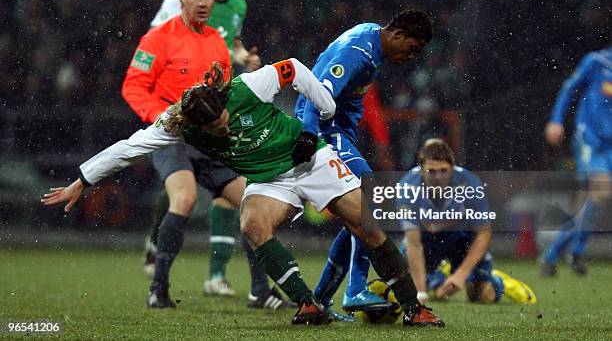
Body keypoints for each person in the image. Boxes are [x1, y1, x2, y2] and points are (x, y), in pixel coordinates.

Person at [42, 59, 444, 327]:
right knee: (252, 223)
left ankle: (415, 308)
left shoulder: (248, 85)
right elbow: (129, 147)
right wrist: (82, 180)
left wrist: (320, 119)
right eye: (213, 129)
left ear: (222, 101)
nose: (222, 129)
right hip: (270, 181)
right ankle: (308, 305)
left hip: (308, 160)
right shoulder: (176, 123)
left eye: (222, 119)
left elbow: (295, 69)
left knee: (367, 226)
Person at [120, 0, 286, 309]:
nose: (202, 3)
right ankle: (159, 288)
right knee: (184, 198)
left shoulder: (216, 43)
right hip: (173, 139)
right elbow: (133, 86)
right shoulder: (157, 39)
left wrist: (228, 121)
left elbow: (223, 93)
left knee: (252, 202)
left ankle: (260, 291)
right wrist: (162, 117)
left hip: (209, 141)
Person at [294, 9, 431, 316]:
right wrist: (307, 133)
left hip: (338, 132)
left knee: (359, 216)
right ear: (396, 35)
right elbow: (321, 91)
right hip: (326, 132)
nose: (412, 57)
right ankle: (356, 289)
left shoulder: (371, 37)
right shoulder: (359, 53)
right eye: (412, 49)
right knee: (372, 202)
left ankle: (321, 300)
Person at [398, 139, 536, 304]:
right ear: (421, 170)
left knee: (482, 296)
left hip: (462, 239)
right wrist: (420, 294)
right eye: (432, 171)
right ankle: (438, 277)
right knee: (413, 286)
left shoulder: (469, 183)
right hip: (427, 240)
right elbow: (413, 243)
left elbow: (484, 234)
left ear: (453, 169)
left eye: (443, 171)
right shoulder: (407, 187)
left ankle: (498, 281)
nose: (438, 177)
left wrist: (460, 276)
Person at [541, 46, 612, 276]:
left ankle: (554, 254)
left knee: (589, 202)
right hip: (591, 140)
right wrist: (556, 120)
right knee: (601, 192)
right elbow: (569, 88)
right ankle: (576, 250)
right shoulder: (597, 61)